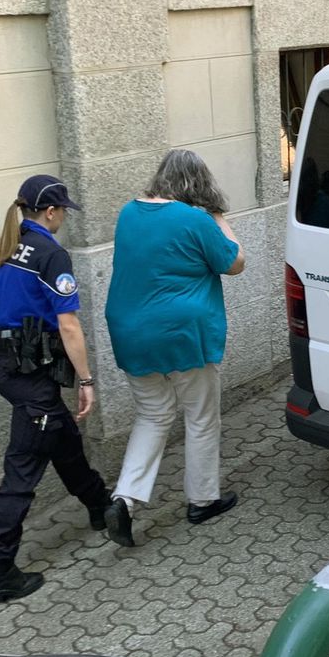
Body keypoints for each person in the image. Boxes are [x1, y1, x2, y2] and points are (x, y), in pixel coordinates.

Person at [101, 149, 246, 547]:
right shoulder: (197, 219)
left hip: (130, 330)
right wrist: (220, 217)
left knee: (153, 415)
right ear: (200, 183)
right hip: (182, 333)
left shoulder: (128, 212)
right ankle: (203, 500)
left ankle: (125, 500)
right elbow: (234, 263)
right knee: (200, 418)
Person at [0, 175, 111, 603]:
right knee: (22, 471)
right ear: (50, 212)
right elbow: (69, 325)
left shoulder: (3, 244)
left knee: (61, 437)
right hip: (31, 373)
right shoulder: (51, 253)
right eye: (62, 211)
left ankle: (99, 505)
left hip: (6, 367)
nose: (63, 218)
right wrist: (87, 381)